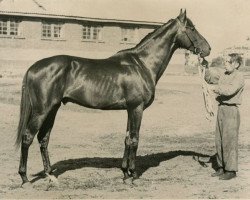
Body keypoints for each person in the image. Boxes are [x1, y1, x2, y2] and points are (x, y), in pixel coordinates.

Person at [203, 53, 245, 180]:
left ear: (236, 64)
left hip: (231, 110)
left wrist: (215, 89)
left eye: (228, 62)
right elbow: (210, 78)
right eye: (225, 61)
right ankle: (221, 167)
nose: (225, 64)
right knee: (219, 140)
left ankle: (231, 170)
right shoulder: (223, 74)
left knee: (229, 141)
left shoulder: (239, 76)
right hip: (221, 109)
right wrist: (205, 67)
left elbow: (229, 90)